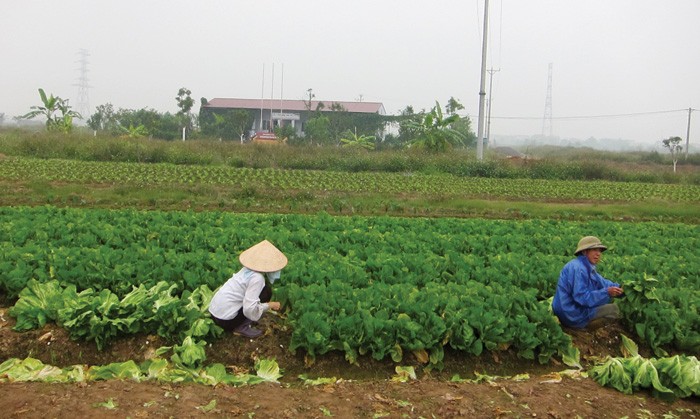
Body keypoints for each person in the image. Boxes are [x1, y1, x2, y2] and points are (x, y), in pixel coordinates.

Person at [209, 239, 288, 338]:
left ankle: (241, 320)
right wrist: (269, 305)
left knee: (265, 291)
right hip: (225, 321)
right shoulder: (257, 278)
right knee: (265, 294)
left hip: (214, 312)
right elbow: (249, 309)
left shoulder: (246, 270)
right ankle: (241, 327)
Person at [552, 236, 624, 329]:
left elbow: (603, 283)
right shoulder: (578, 268)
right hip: (571, 313)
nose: (598, 254)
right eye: (594, 250)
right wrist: (606, 292)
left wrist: (622, 288)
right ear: (584, 251)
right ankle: (585, 328)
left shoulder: (586, 266)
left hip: (570, 310)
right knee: (614, 309)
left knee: (606, 299)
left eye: (599, 250)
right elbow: (581, 297)